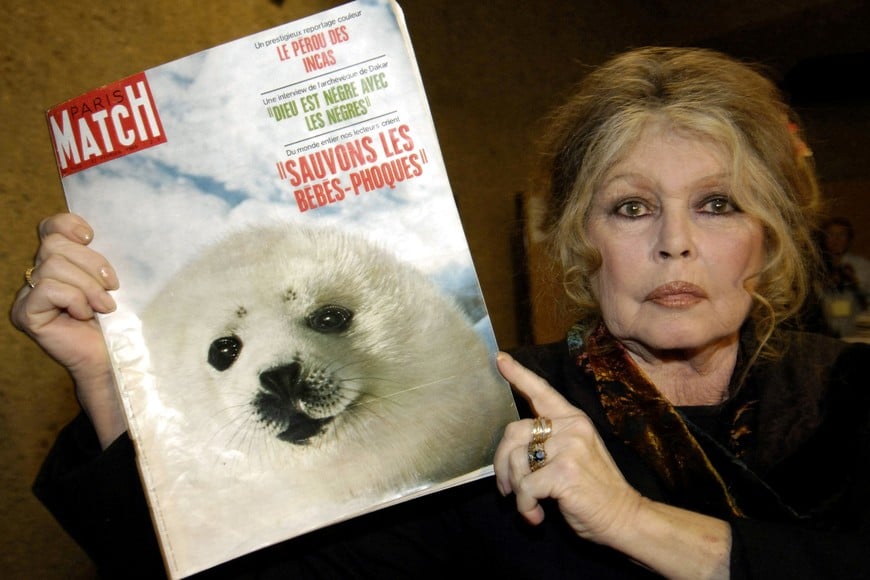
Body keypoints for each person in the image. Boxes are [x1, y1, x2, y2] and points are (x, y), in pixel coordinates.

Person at [11, 46, 870, 579]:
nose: (674, 244)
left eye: (717, 205)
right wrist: (108, 376)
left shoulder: (855, 395)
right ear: (578, 238)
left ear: (769, 234)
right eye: (632, 207)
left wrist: (638, 525)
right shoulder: (501, 408)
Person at [817, 216, 870, 336]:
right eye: (830, 234)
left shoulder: (862, 266)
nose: (836, 240)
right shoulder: (817, 268)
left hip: (856, 331)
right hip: (825, 331)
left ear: (849, 239)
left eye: (841, 235)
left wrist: (852, 280)